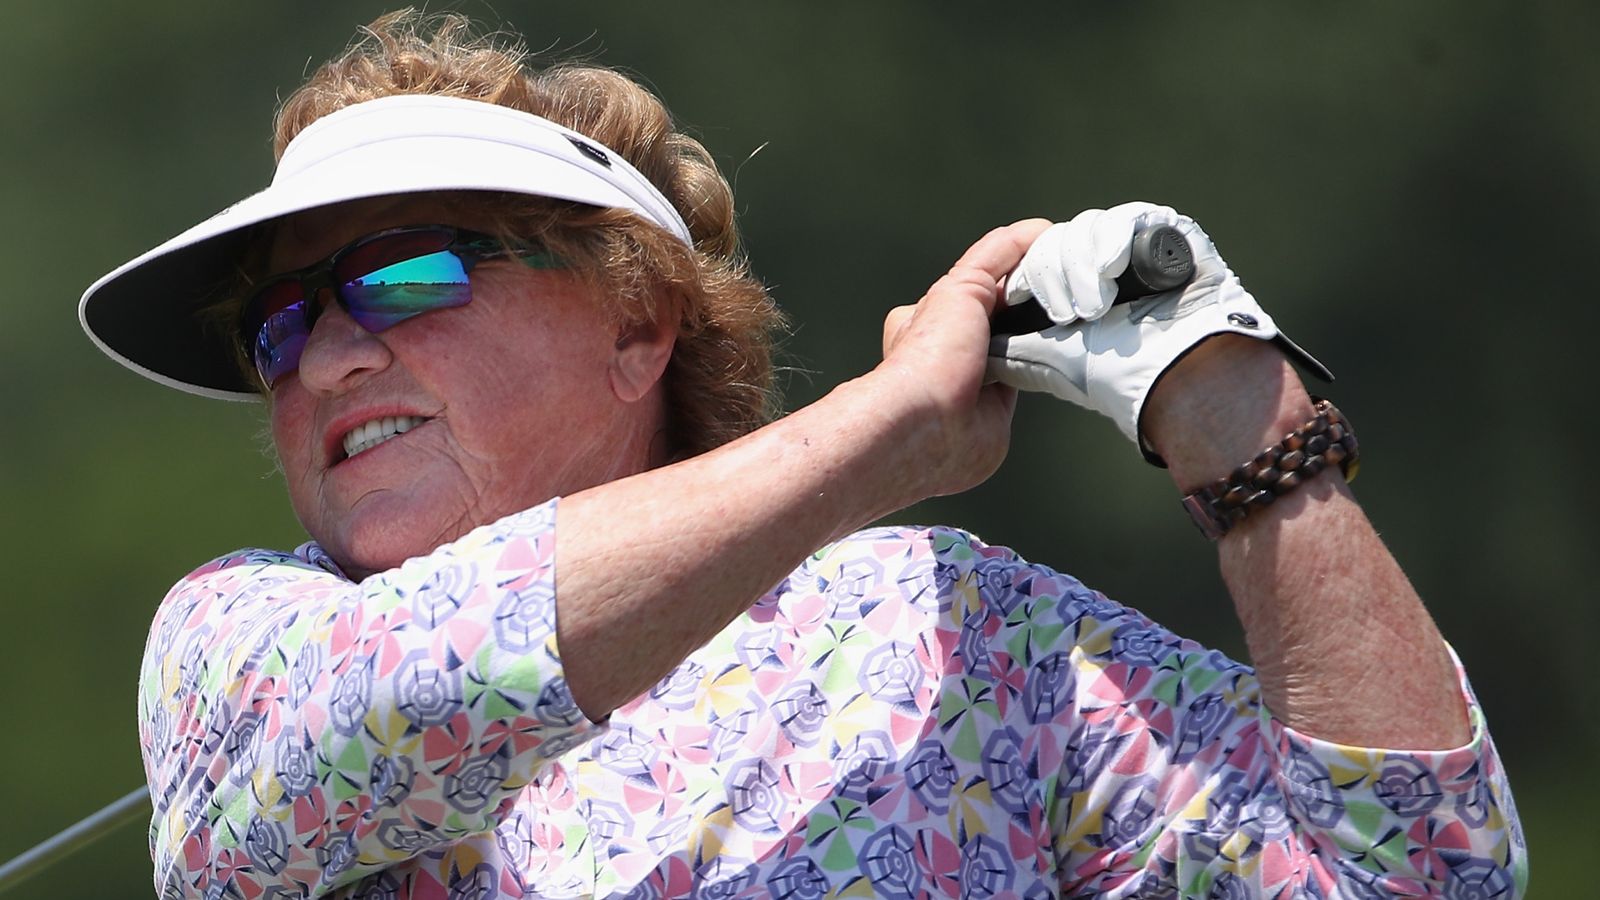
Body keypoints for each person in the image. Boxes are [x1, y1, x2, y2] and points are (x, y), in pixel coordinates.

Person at [80, 11, 1525, 900]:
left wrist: (1245, 429)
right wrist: (882, 429)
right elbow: (420, 692)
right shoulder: (242, 641)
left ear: (639, 323)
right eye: (279, 326)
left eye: (400, 283)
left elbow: (1427, 881)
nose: (327, 355)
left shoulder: (941, 627)